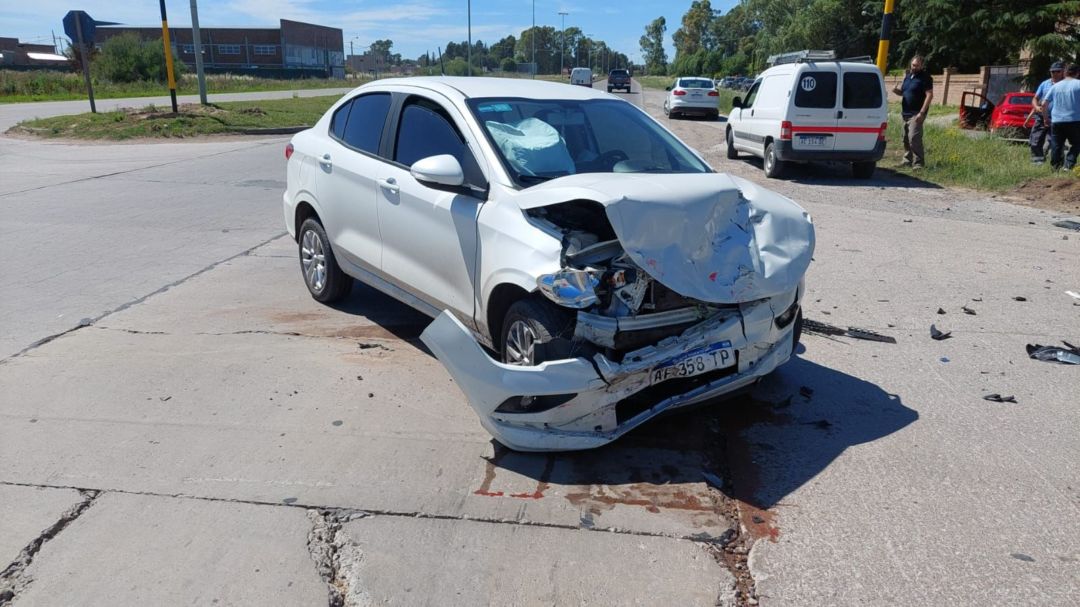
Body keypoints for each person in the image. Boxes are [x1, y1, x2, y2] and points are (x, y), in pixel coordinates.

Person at [892, 55, 934, 169]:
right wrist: (897, 91)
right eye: (913, 65)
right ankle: (907, 160)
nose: (914, 67)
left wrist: (922, 112)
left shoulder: (925, 78)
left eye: (917, 65)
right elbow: (904, 93)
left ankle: (919, 163)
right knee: (905, 138)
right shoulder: (908, 77)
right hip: (905, 113)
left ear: (922, 65)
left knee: (914, 137)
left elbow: (929, 95)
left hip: (917, 113)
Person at [1047, 63, 1080, 171]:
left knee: (1056, 144)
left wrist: (1045, 118)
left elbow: (1043, 103)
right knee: (1077, 143)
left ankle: (1055, 167)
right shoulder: (1078, 84)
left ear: (1065, 73)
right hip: (1074, 120)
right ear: (1077, 73)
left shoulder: (1056, 86)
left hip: (1057, 120)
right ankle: (1068, 165)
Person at [1030, 61, 1064, 163]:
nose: (1054, 74)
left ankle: (1057, 163)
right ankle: (1038, 162)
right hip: (1041, 117)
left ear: (1063, 72)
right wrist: (1036, 107)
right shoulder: (1045, 84)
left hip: (1057, 118)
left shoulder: (1065, 84)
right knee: (1035, 140)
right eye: (1052, 72)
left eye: (1057, 71)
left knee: (1054, 142)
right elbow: (1035, 98)